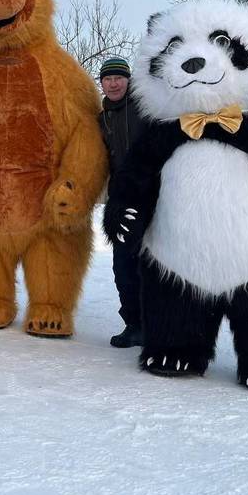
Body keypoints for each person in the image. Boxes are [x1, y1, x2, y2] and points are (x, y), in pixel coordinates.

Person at [98, 57, 144, 348]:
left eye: (118, 78)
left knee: (152, 265)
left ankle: (161, 324)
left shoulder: (145, 107)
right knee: (123, 266)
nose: (113, 83)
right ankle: (134, 324)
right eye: (107, 78)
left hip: (152, 195)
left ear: (128, 80)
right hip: (121, 199)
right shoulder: (101, 117)